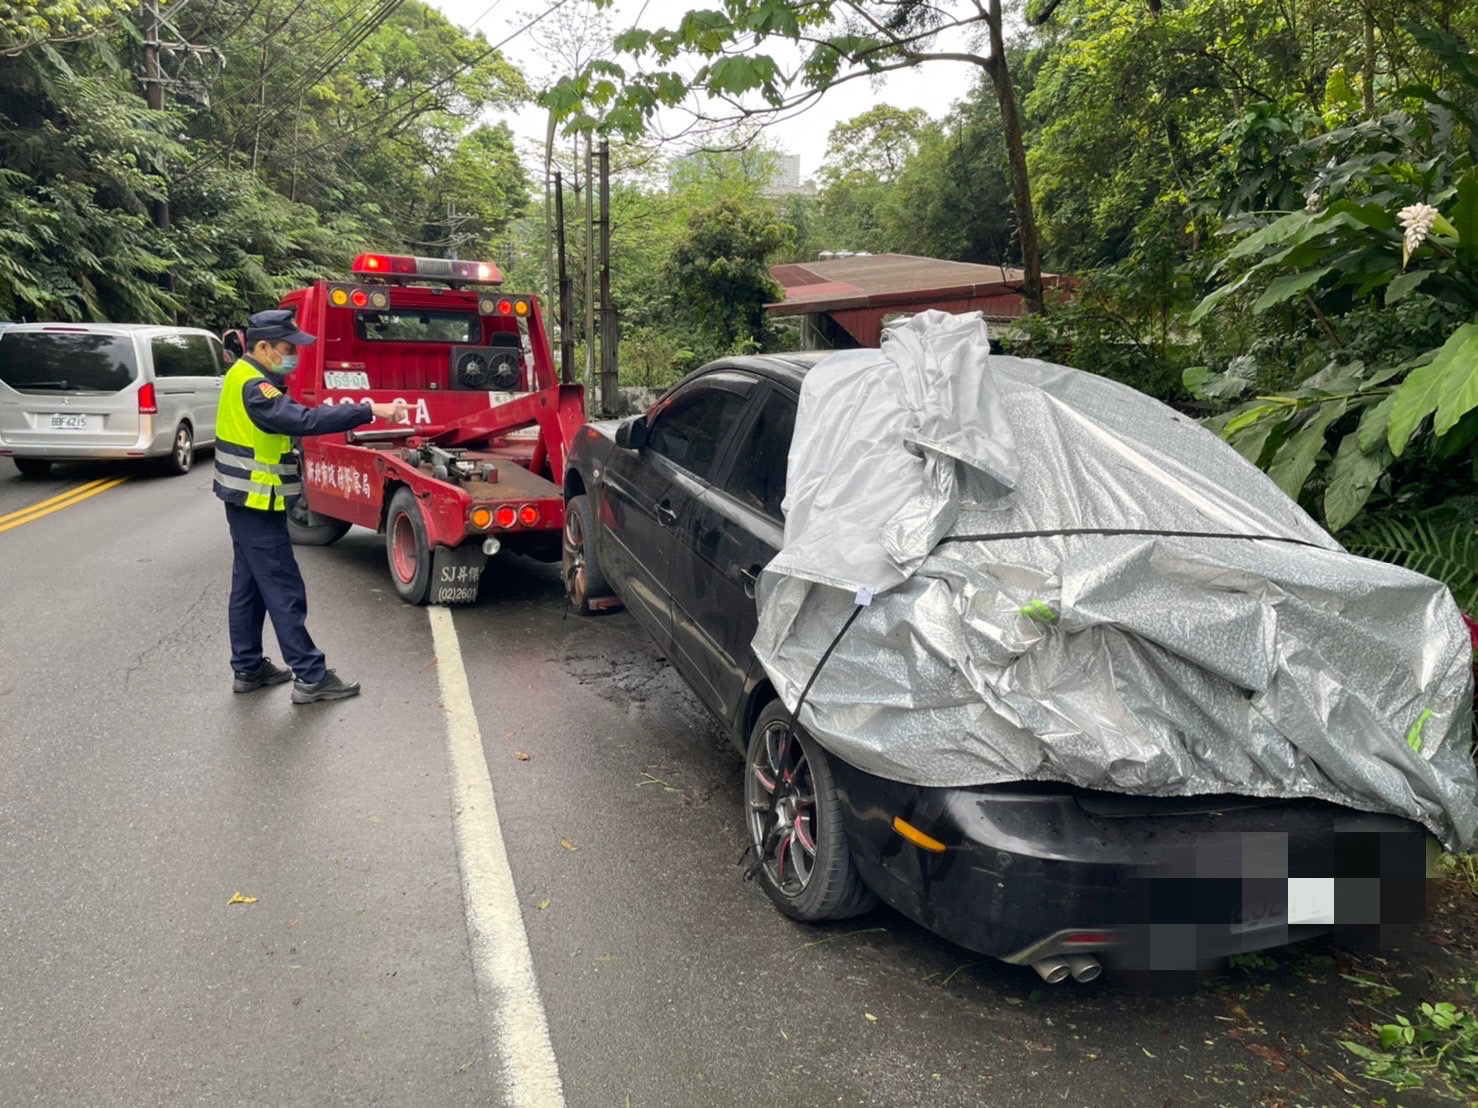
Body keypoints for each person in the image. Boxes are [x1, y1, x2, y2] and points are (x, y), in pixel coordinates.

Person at [215, 308, 406, 703]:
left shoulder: (243, 376)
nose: (294, 357)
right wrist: (369, 409)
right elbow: (304, 419)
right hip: (256, 500)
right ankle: (311, 676)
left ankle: (248, 668)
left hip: (245, 499)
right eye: (288, 349)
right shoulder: (256, 387)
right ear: (263, 347)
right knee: (283, 587)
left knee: (248, 586)